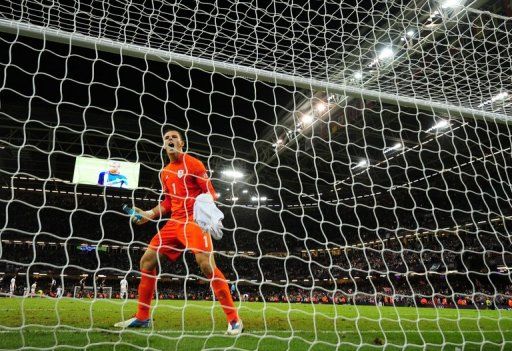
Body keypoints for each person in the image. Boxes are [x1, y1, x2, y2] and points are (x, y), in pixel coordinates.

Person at [115, 129, 243, 335]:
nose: (170, 140)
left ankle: (234, 320)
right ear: (164, 145)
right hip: (175, 223)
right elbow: (167, 202)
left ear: (181, 143)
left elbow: (210, 191)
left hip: (193, 221)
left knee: (206, 266)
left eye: (174, 137)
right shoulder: (165, 172)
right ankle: (142, 317)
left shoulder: (193, 164)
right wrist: (148, 213)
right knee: (147, 260)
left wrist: (205, 210)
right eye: (166, 138)